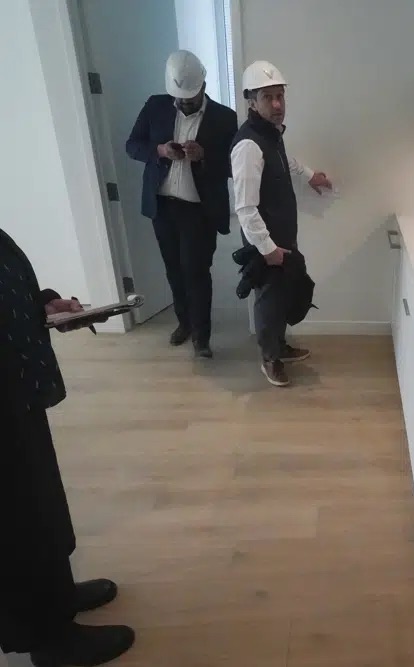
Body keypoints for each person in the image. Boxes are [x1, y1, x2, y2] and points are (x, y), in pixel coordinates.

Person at [0, 228, 135, 666]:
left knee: (38, 501)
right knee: (15, 517)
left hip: (16, 389)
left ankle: (56, 597)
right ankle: (49, 638)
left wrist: (43, 303)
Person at [126, 50, 238, 358]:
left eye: (189, 98)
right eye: (179, 98)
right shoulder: (155, 106)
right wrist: (160, 150)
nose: (184, 103)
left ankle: (202, 337)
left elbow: (233, 166)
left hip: (199, 210)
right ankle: (184, 323)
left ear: (203, 85)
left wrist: (204, 156)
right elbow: (132, 145)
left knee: (197, 271)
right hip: (162, 207)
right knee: (174, 270)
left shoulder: (225, 118)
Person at [230, 60, 334, 387]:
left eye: (280, 96)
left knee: (286, 294)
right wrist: (267, 248)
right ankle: (269, 358)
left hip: (283, 237)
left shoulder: (271, 136)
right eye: (267, 97)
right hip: (268, 243)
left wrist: (309, 175)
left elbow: (284, 161)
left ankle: (279, 345)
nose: (277, 105)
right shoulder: (248, 145)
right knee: (269, 300)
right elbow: (245, 208)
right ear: (251, 101)